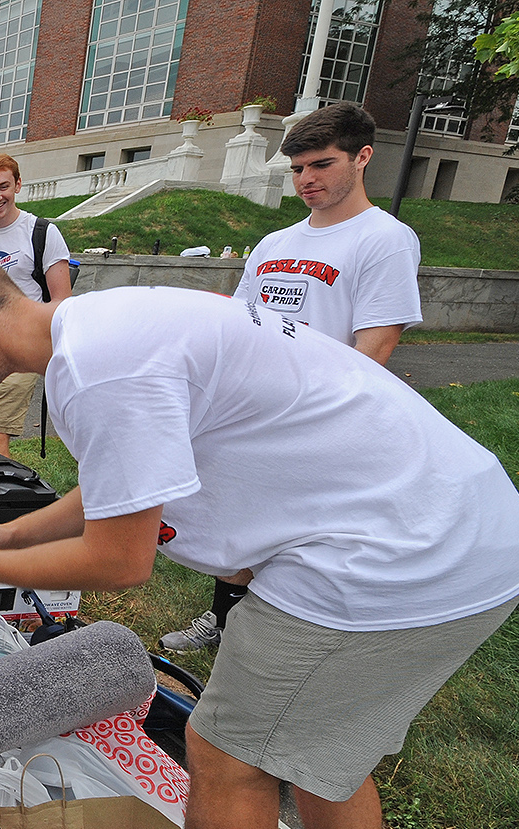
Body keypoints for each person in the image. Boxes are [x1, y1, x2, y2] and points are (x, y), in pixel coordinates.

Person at [0, 248, 519, 829]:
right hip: (456, 529)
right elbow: (130, 485)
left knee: (225, 749)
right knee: (321, 743)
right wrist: (7, 535)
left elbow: (120, 559)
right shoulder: (107, 327)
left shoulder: (99, 370)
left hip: (392, 561)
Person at [160, 101, 424, 655]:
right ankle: (223, 622)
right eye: (299, 168)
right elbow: (239, 325)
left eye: (322, 165)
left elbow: (376, 345)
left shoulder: (384, 238)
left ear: (363, 157)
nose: (306, 180)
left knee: (294, 534)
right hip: (254, 409)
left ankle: (271, 638)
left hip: (319, 417)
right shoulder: (276, 243)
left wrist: (327, 418)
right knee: (238, 517)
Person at [0, 154, 71, 457]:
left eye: (3, 187)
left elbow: (62, 302)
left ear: (18, 185)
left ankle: (6, 503)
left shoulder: (42, 233)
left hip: (21, 349)